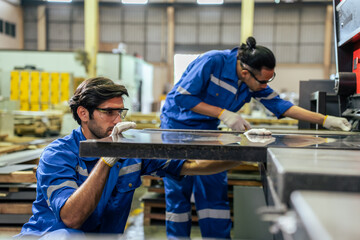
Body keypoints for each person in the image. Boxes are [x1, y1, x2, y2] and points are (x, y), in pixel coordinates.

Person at [160, 36, 351, 239]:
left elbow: (281, 105)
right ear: (245, 72)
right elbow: (182, 96)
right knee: (178, 188)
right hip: (176, 128)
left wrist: (326, 120)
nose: (265, 86)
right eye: (263, 81)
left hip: (209, 129)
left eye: (270, 80)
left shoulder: (252, 82)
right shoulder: (212, 61)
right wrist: (223, 113)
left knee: (213, 188)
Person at [16, 77, 242, 239]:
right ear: (83, 113)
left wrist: (244, 151)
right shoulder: (58, 155)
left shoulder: (129, 150)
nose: (117, 120)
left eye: (120, 112)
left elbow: (193, 165)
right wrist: (106, 160)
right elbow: (72, 218)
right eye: (109, 112)